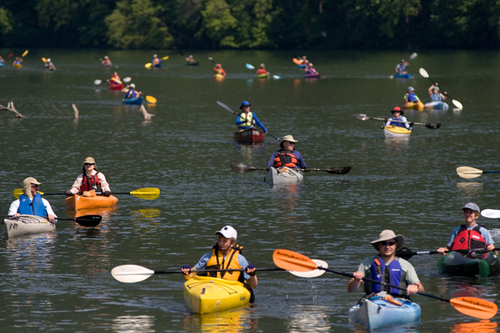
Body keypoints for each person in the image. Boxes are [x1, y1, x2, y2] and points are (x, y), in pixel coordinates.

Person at [181, 225, 258, 293]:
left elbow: (253, 285)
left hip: (231, 290)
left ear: (232, 244)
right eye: (220, 240)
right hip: (211, 289)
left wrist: (252, 274)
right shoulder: (208, 257)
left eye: (225, 241)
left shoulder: (240, 259)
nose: (220, 244)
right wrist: (186, 272)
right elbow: (191, 275)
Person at [347, 230, 425, 296]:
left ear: (396, 245)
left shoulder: (405, 265)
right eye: (384, 243)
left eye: (391, 243)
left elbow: (421, 289)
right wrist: (356, 280)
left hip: (399, 302)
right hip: (373, 301)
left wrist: (415, 287)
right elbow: (350, 290)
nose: (387, 247)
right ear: (379, 245)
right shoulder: (367, 263)